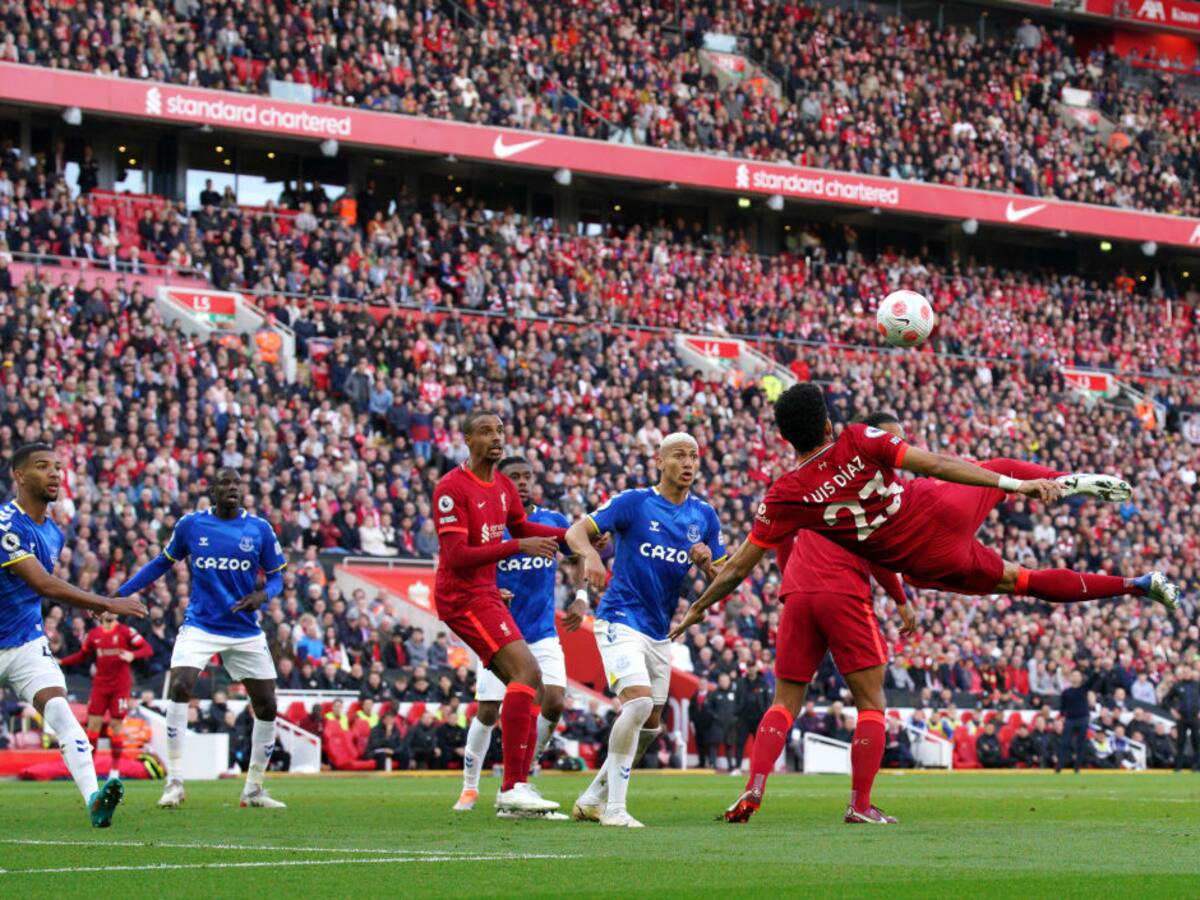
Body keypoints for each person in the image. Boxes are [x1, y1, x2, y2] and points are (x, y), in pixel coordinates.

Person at [674, 382, 1177, 634]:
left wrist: (698, 609)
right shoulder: (857, 437)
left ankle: (1136, 585)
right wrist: (1013, 486)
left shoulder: (785, 497)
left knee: (1023, 582)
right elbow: (934, 463)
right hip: (936, 503)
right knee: (1001, 463)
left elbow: (738, 567)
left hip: (925, 558)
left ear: (785, 439)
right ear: (827, 424)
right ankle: (1055, 481)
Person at [724, 413, 916, 825]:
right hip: (843, 589)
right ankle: (860, 805)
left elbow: (776, 539)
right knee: (871, 703)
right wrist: (900, 599)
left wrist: (791, 580)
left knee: (785, 701)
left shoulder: (802, 481)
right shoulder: (868, 478)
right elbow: (878, 550)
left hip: (797, 592)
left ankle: (753, 786)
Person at [568, 432, 726, 828]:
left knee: (651, 726)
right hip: (620, 617)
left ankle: (592, 798)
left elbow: (725, 576)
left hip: (659, 630)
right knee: (636, 704)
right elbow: (575, 532)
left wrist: (708, 565)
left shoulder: (703, 516)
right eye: (678, 456)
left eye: (693, 456)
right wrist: (591, 556)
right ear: (659, 460)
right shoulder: (634, 502)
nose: (688, 463)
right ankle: (615, 810)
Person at [431, 411, 577, 816]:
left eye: (499, 431)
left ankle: (516, 792)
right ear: (467, 440)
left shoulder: (503, 486)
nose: (496, 438)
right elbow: (457, 556)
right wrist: (517, 547)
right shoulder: (451, 488)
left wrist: (574, 538)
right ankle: (508, 786)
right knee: (525, 677)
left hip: (486, 595)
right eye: (485, 432)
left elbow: (521, 525)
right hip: (462, 597)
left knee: (529, 683)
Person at [118, 467, 288, 810]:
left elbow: (278, 577)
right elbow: (160, 564)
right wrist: (120, 594)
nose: (233, 488)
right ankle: (175, 782)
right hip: (201, 626)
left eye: (237, 484)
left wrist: (263, 596)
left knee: (267, 704)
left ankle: (253, 788)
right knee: (181, 684)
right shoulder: (191, 525)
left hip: (244, 629)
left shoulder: (259, 529)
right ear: (212, 490)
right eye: (225, 483)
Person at [0, 443, 146, 826]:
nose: (54, 473)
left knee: (62, 713)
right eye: (42, 466)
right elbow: (43, 584)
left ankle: (95, 800)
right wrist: (106, 603)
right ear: (18, 475)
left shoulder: (54, 533)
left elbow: (41, 589)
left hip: (26, 642)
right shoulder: (4, 523)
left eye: (58, 467)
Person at [455, 455, 588, 815]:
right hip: (500, 631)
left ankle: (523, 776)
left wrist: (580, 596)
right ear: (502, 481)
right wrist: (490, 591)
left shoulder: (552, 521)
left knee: (554, 701)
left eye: (528, 476)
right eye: (514, 477)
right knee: (487, 710)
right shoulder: (490, 525)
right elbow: (466, 566)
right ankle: (469, 788)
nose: (523, 482)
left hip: (542, 631)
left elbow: (578, 555)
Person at [59, 610, 153, 769]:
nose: (110, 612)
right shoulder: (94, 634)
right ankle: (90, 768)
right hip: (100, 684)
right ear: (100, 614)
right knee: (93, 725)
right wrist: (62, 661)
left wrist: (132, 654)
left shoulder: (126, 631)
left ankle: (115, 770)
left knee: (116, 725)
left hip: (120, 686)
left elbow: (147, 649)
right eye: (106, 609)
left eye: (113, 609)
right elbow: (82, 655)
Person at [1164, 666, 1200, 772]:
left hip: (1194, 717)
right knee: (1181, 742)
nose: (1186, 674)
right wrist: (1172, 711)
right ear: (1181, 674)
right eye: (1184, 672)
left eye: (1188, 672)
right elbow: (1166, 700)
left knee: (1196, 742)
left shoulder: (1197, 685)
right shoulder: (1177, 686)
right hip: (1182, 718)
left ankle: (1196, 766)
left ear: (1191, 673)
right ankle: (1178, 767)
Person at [1057, 670, 1091, 773]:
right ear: (1070, 678)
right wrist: (1062, 716)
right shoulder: (1066, 692)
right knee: (1064, 743)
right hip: (1070, 719)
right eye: (1073, 676)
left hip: (1083, 718)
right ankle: (1059, 766)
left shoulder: (1084, 689)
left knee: (1080, 743)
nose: (1075, 678)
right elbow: (1062, 707)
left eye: (1077, 676)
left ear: (1081, 678)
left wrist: (1096, 669)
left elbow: (1093, 680)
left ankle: (1077, 767)